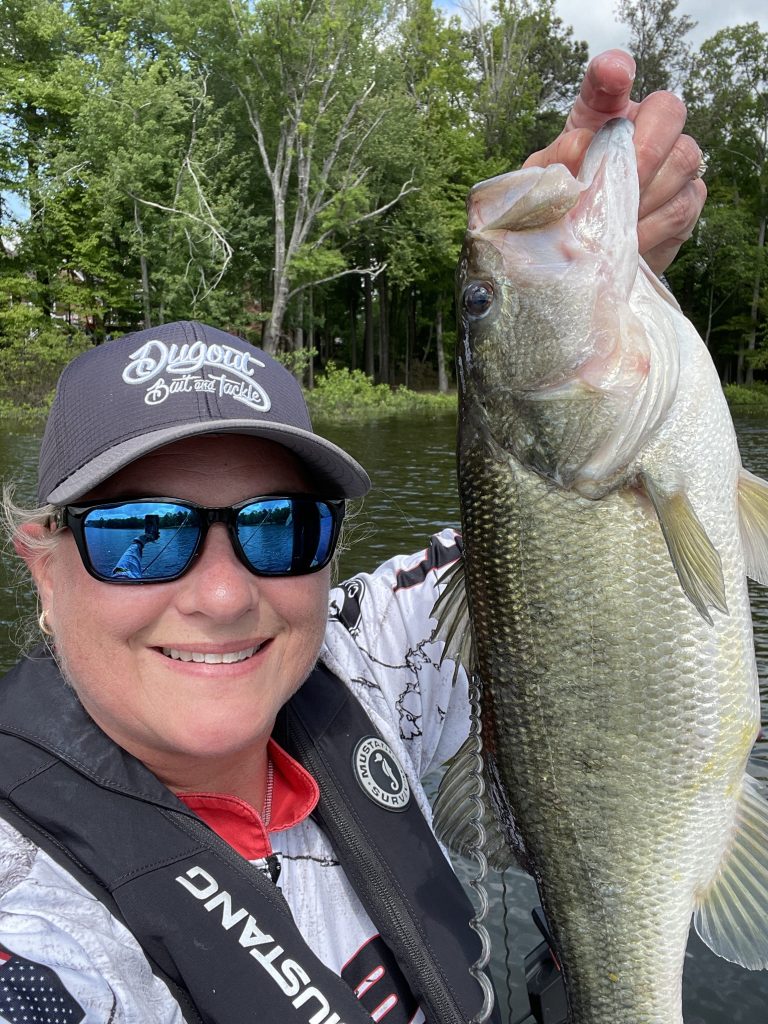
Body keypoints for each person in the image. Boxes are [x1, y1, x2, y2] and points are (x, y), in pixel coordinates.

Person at [0, 51, 706, 1024]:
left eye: (280, 526)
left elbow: (548, 552)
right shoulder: (35, 937)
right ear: (42, 567)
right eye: (143, 532)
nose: (221, 594)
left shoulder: (360, 666)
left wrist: (592, 292)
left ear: (327, 550)